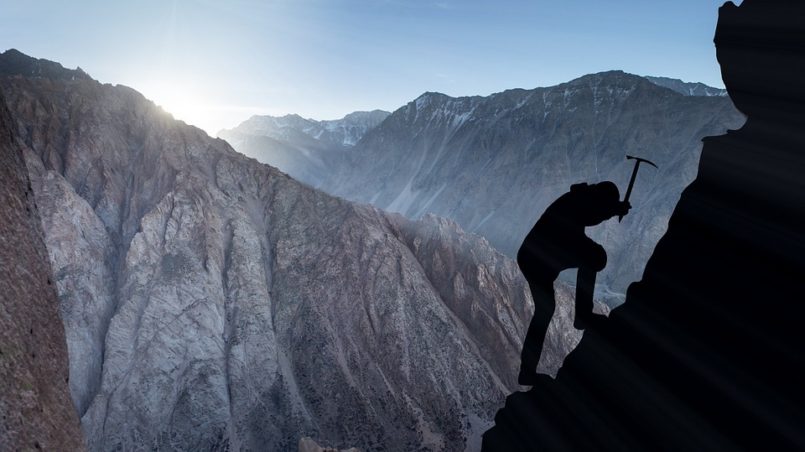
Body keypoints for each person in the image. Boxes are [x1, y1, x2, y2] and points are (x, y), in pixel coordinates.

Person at [517, 181, 630, 385]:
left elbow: (591, 213)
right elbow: (591, 214)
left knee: (545, 311)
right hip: (539, 258)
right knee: (595, 257)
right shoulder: (578, 203)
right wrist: (614, 209)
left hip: (535, 257)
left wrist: (613, 209)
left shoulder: (577, 198)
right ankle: (583, 315)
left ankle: (527, 370)